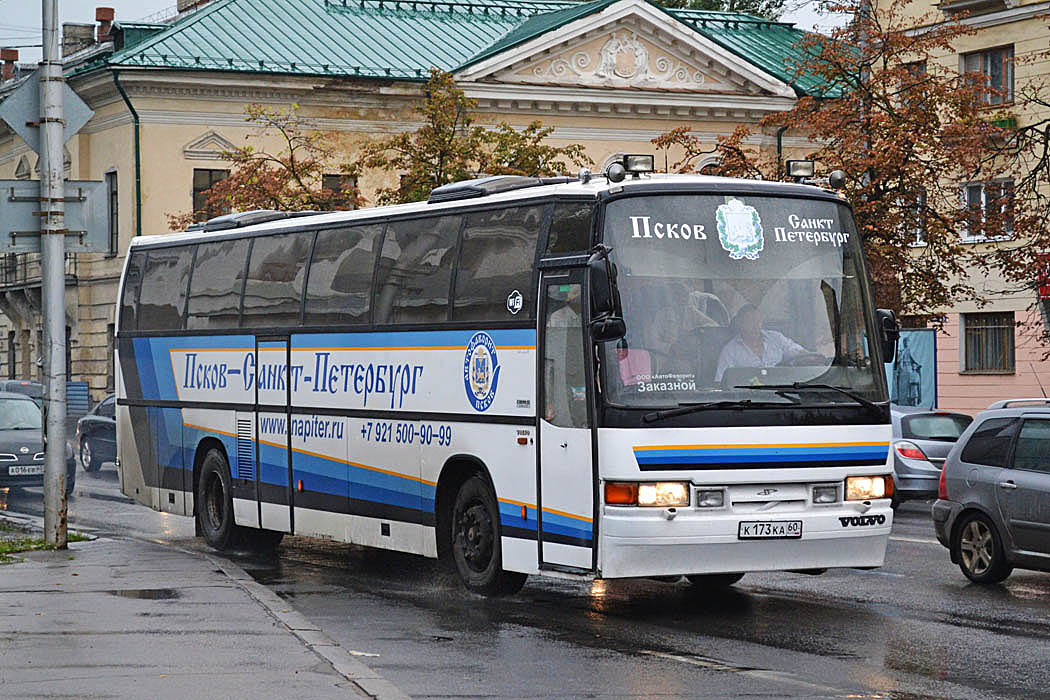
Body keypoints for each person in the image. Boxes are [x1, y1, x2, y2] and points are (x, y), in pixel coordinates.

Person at [714, 304, 809, 384]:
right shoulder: (730, 351)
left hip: (782, 392)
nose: (755, 325)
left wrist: (812, 359)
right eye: (750, 321)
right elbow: (720, 382)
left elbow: (801, 354)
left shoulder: (776, 339)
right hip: (748, 399)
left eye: (758, 321)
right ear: (740, 324)